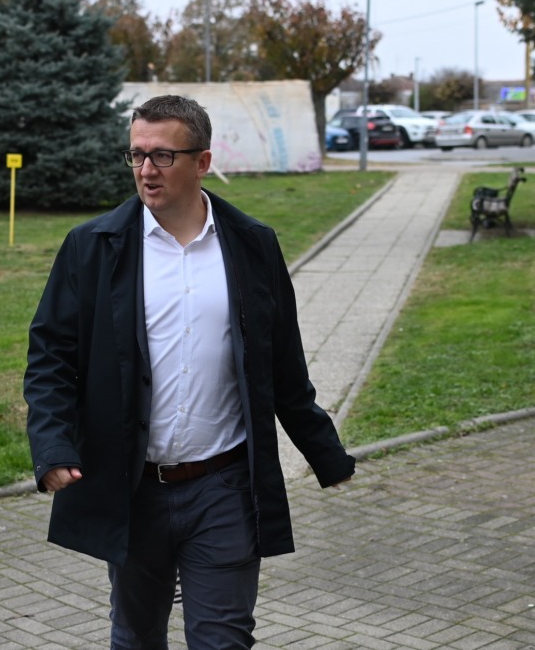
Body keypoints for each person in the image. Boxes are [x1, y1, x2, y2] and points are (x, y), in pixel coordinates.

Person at [24, 95, 354, 649]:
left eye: (162, 156)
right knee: (136, 636)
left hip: (224, 485)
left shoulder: (252, 245)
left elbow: (282, 363)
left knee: (224, 640)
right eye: (136, 155)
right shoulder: (93, 247)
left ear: (202, 162)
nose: (146, 170)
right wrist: (53, 446)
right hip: (133, 487)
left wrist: (326, 453)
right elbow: (51, 356)